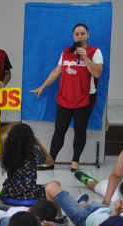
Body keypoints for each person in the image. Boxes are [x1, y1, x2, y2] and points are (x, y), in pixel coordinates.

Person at [31, 23, 103, 172]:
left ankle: (75, 161)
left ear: (88, 35)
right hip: (65, 98)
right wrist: (42, 87)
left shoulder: (95, 52)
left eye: (83, 33)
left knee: (79, 130)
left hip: (85, 98)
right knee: (59, 130)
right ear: (73, 36)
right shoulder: (66, 52)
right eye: (77, 34)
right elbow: (57, 71)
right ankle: (51, 160)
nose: (79, 36)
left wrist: (85, 58)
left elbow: (97, 73)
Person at [0, 123, 66, 224]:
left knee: (46, 184)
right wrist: (38, 143)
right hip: (28, 192)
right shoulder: (33, 153)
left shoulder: (8, 153)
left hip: (10, 191)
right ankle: (59, 216)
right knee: (56, 183)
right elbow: (50, 161)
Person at [45, 183, 114, 226]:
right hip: (103, 209)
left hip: (85, 219)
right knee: (91, 204)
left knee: (51, 187)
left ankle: (59, 218)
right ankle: (82, 204)